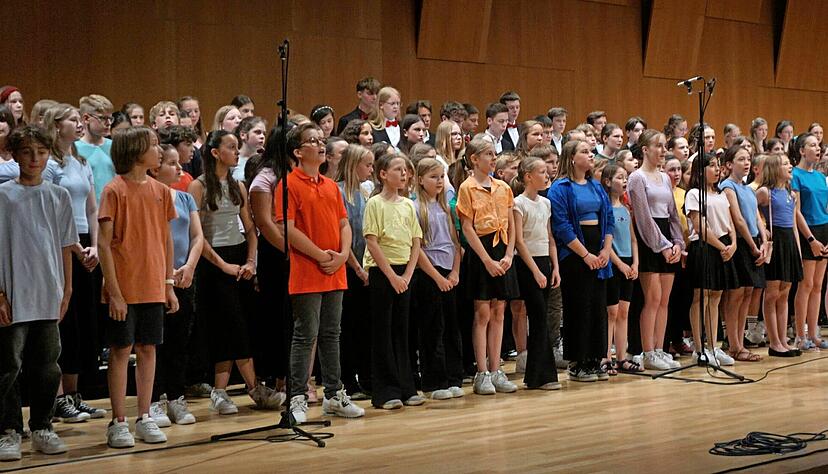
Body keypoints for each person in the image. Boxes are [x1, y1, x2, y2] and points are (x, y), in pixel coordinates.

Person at [274, 122, 365, 422]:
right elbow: (287, 229)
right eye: (312, 140)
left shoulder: (330, 186)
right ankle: (297, 396)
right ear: (298, 152)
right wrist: (319, 255)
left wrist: (340, 256)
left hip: (334, 269)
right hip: (307, 270)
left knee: (331, 334)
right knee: (305, 335)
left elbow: (343, 224)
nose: (320, 144)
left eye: (321, 139)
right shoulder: (288, 185)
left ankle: (335, 394)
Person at [188, 130, 283, 417]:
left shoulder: (238, 186)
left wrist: (251, 261)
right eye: (230, 147)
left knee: (241, 325)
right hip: (214, 262)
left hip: (240, 259)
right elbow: (198, 236)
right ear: (215, 152)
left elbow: (251, 229)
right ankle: (252, 388)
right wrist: (222, 265)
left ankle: (222, 391)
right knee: (229, 326)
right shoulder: (198, 186)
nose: (236, 151)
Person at [98, 126, 178, 448]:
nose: (159, 151)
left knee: (148, 349)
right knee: (121, 351)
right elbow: (104, 245)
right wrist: (114, 292)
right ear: (134, 152)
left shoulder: (161, 191)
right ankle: (118, 421)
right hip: (124, 286)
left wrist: (168, 283)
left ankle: (144, 416)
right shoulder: (114, 190)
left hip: (153, 284)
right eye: (154, 145)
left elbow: (167, 239)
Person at [0, 126, 75, 460]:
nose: (35, 159)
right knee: (7, 366)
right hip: (13, 292)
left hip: (48, 291)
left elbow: (64, 246)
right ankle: (9, 430)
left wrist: (67, 288)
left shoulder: (58, 195)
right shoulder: (3, 196)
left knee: (47, 366)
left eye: (41, 152)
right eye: (28, 152)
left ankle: (42, 425)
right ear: (15, 155)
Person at [42, 104, 107, 422]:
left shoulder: (80, 162)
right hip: (60, 244)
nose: (79, 123)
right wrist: (73, 248)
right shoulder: (50, 163)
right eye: (71, 119)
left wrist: (94, 245)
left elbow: (92, 208)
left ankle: (73, 394)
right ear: (56, 126)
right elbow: (49, 211)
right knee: (63, 323)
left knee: (83, 324)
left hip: (85, 244)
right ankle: (55, 398)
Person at [147, 144, 205, 426]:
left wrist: (190, 266)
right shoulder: (149, 198)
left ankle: (176, 398)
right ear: (155, 168)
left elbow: (197, 236)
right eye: (171, 163)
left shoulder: (184, 198)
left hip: (184, 277)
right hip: (156, 277)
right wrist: (166, 271)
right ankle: (155, 398)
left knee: (180, 343)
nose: (179, 168)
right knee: (156, 341)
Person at [456, 138, 519, 394]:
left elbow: (511, 223)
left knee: (499, 311)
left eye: (495, 154)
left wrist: (509, 254)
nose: (494, 159)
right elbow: (468, 228)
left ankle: (496, 369)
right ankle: (481, 371)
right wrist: (486, 260)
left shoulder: (503, 187)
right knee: (482, 313)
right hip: (482, 252)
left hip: (502, 249)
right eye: (489, 155)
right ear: (474, 159)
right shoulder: (467, 188)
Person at [549, 140, 614, 381]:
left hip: (599, 250)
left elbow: (607, 217)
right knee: (579, 307)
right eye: (585, 152)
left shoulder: (596, 187)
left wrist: (606, 250)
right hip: (575, 253)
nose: (590, 155)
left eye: (591, 151)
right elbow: (562, 226)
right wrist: (585, 255)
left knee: (598, 306)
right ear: (572, 158)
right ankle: (578, 362)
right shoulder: (561, 187)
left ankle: (596, 359)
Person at [363, 153, 425, 409]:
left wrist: (407, 275)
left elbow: (416, 241)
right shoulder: (375, 203)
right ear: (382, 174)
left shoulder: (409, 204)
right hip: (382, 272)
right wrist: (392, 276)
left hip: (405, 273)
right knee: (383, 332)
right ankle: (386, 391)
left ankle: (406, 387)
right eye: (398, 170)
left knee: (403, 332)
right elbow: (371, 240)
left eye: (406, 170)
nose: (403, 174)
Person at [627, 129, 684, 370]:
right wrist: (662, 246)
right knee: (652, 299)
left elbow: (673, 215)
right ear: (645, 150)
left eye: (664, 146)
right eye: (657, 146)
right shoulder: (637, 178)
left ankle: (660, 349)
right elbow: (643, 217)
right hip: (650, 240)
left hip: (667, 239)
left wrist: (678, 244)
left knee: (665, 301)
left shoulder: (664, 178)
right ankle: (647, 351)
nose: (662, 151)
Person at [412, 158, 465, 398]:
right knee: (432, 327)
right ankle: (434, 382)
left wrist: (454, 272)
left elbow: (456, 244)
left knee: (452, 327)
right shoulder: (415, 208)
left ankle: (454, 376)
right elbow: (418, 249)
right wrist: (437, 277)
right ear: (420, 180)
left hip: (449, 272)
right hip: (428, 272)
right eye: (434, 177)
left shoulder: (448, 207)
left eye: (442, 176)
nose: (439, 181)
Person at [512, 156, 562, 389]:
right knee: (538, 316)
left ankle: (536, 375)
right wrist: (535, 271)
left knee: (542, 318)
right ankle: (542, 375)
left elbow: (550, 237)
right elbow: (519, 242)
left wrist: (555, 268)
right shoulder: (518, 203)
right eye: (542, 171)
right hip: (527, 264)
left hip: (545, 262)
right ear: (528, 176)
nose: (547, 175)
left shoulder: (546, 203)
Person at [684, 153, 738, 366]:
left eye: (718, 166)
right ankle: (699, 349)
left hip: (724, 247)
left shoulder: (721, 193)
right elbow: (699, 227)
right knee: (701, 297)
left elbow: (730, 222)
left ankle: (714, 346)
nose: (717, 170)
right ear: (700, 170)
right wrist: (721, 246)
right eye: (712, 166)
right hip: (706, 247)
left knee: (716, 297)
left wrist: (733, 243)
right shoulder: (694, 194)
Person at [719, 144, 768, 362]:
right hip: (741, 243)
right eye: (741, 159)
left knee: (748, 292)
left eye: (748, 159)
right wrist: (752, 245)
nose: (746, 163)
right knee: (736, 295)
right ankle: (734, 345)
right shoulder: (727, 186)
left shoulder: (748, 188)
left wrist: (764, 240)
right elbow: (738, 220)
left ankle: (740, 342)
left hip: (755, 242)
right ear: (729, 164)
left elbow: (757, 217)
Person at [335, 144, 375, 400]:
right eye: (367, 165)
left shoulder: (364, 192)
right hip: (348, 267)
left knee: (364, 326)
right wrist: (357, 268)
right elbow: (341, 236)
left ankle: (366, 377)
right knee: (346, 327)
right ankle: (347, 380)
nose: (371, 169)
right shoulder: (337, 192)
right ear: (353, 165)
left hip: (366, 266)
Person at [756, 154, 803, 357]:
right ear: (775, 169)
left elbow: (793, 225)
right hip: (776, 244)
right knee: (772, 294)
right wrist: (763, 228)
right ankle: (774, 342)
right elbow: (753, 209)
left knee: (784, 294)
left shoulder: (790, 193)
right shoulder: (765, 192)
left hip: (789, 244)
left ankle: (783, 340)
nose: (790, 166)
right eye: (785, 164)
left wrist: (799, 252)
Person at [601, 163, 642, 374]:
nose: (624, 181)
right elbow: (605, 243)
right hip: (613, 263)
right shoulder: (605, 208)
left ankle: (622, 357)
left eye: (626, 177)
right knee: (612, 311)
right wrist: (620, 264)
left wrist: (635, 263)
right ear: (607, 182)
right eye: (619, 177)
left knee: (624, 311)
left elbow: (633, 239)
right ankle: (606, 356)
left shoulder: (626, 209)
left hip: (628, 263)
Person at [791, 133, 828, 350]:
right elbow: (797, 211)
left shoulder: (820, 176)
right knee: (805, 285)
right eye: (812, 145)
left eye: (819, 145)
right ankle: (800, 335)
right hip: (808, 232)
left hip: (824, 229)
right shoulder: (795, 175)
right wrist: (811, 239)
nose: (817, 148)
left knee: (817, 285)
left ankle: (814, 334)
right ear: (802, 150)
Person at [76, 94, 114, 202]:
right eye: (103, 118)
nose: (108, 123)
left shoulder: (115, 146)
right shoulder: (74, 149)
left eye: (110, 118)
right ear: (86, 118)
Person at [233, 116, 266, 182]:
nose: (262, 136)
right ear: (243, 135)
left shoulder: (265, 160)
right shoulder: (232, 159)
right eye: (257, 132)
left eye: (264, 133)